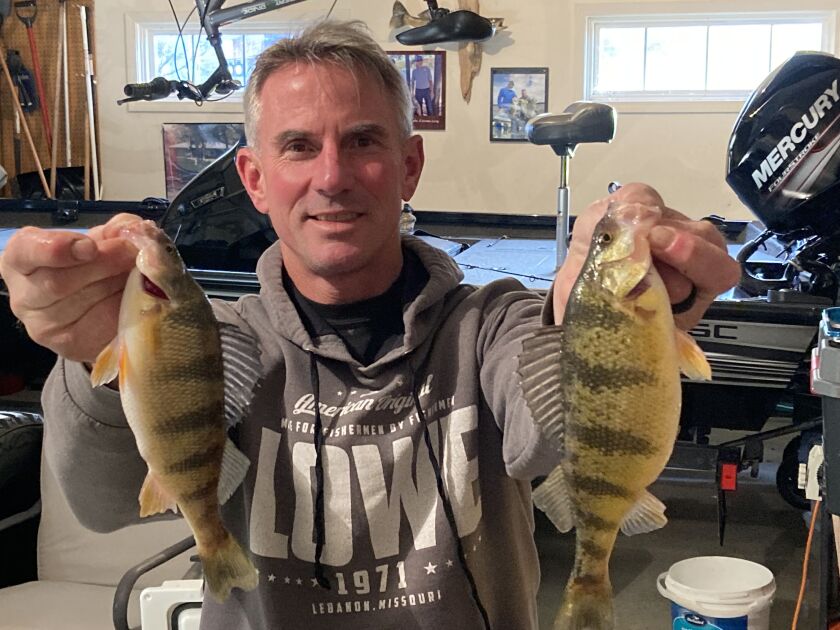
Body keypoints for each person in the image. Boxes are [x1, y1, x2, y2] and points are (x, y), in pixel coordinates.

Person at [0, 19, 740, 630]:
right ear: (255, 179)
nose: (332, 175)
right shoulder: (216, 343)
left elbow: (545, 434)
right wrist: (101, 354)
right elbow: (99, 506)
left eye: (362, 141)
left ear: (410, 166)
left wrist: (606, 315)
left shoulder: (490, 324)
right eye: (298, 146)